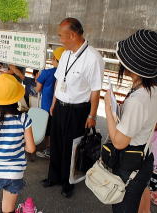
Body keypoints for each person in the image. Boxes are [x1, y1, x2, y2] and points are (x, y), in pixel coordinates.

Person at [42, 18, 104, 199]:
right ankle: (53, 177)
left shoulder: (93, 58)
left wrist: (92, 115)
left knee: (72, 147)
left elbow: (95, 90)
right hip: (60, 107)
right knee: (56, 143)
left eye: (62, 36)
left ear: (72, 35)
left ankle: (68, 183)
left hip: (78, 110)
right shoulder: (66, 54)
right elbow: (59, 81)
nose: (60, 39)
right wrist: (54, 104)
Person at [104, 29, 157, 213]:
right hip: (144, 157)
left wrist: (109, 111)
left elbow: (119, 142)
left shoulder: (139, 99)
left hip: (130, 163)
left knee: (123, 207)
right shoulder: (152, 90)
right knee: (138, 204)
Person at [0, 74, 36, 213]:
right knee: (7, 209)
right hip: (15, 173)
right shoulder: (24, 118)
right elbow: (31, 148)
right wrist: (19, 145)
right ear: (16, 98)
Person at [35, 46, 65, 158]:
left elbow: (37, 89)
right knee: (56, 129)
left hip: (47, 106)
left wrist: (36, 80)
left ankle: (49, 150)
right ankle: (56, 149)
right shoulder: (65, 73)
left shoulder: (46, 72)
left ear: (55, 59)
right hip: (60, 106)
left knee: (48, 130)